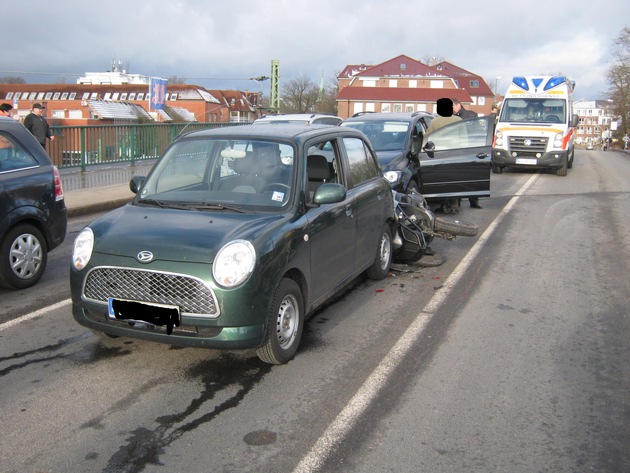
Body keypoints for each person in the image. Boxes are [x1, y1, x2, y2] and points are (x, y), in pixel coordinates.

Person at [452, 97, 483, 209]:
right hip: (460, 150)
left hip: (469, 148)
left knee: (471, 176)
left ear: (457, 105)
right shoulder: (452, 117)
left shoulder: (471, 115)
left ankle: (473, 200)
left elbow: (478, 132)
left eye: (452, 107)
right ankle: (460, 201)